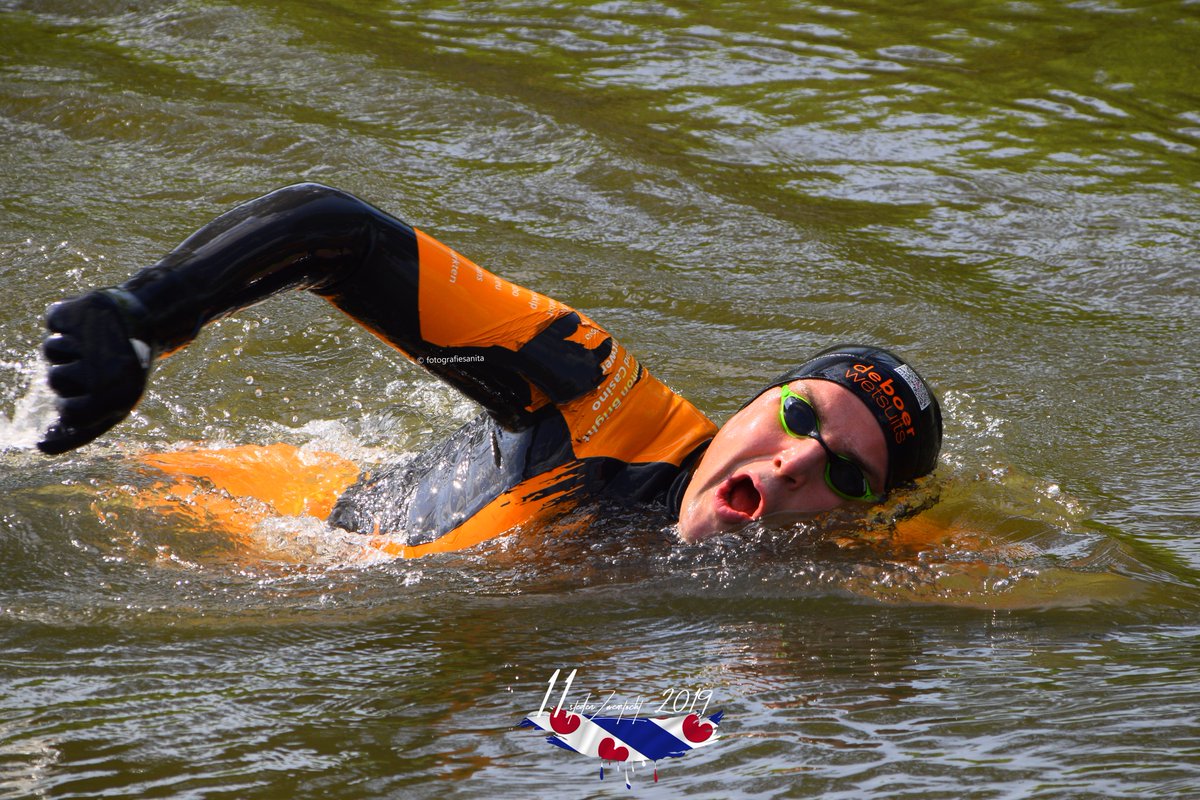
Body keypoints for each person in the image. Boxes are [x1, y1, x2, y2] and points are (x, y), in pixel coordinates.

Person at [38, 183, 942, 556]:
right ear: (753, 401)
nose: (794, 465)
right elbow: (336, 233)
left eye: (847, 475)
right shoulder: (598, 394)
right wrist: (146, 316)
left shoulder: (827, 561)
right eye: (797, 418)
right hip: (257, 523)